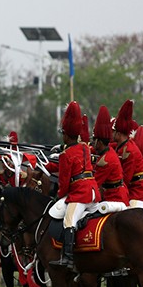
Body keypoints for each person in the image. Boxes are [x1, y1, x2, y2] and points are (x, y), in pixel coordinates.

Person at [50, 101, 99, 270]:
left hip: (81, 194)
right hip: (93, 192)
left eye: (63, 134)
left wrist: (59, 195)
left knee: (69, 221)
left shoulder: (65, 155)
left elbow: (63, 183)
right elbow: (77, 150)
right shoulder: (85, 148)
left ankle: (68, 258)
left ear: (66, 135)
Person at [111, 99, 143, 208]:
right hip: (133, 189)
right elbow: (107, 149)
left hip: (139, 192)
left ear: (119, 133)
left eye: (113, 132)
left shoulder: (129, 150)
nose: (111, 134)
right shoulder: (121, 146)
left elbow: (126, 178)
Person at [91, 106, 129, 205]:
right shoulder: (109, 151)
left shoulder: (105, 160)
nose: (93, 143)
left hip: (115, 198)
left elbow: (94, 184)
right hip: (115, 194)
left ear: (99, 142)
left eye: (94, 140)